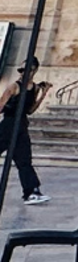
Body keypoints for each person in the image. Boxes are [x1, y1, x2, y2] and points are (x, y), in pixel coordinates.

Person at [0, 70, 53, 205]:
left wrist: (43, 94)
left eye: (27, 70)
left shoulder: (34, 88)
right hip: (9, 124)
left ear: (34, 71)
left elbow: (30, 110)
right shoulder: (14, 86)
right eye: (21, 70)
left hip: (22, 125)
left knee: (24, 160)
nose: (23, 73)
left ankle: (31, 192)